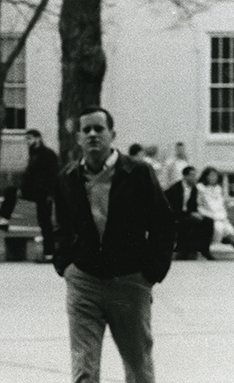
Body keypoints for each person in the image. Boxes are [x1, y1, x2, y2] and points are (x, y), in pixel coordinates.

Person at [53, 106, 175, 383]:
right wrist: (66, 265)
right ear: (79, 139)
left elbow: (163, 223)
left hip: (129, 282)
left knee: (138, 365)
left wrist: (151, 272)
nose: (93, 134)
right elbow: (58, 225)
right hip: (84, 281)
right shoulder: (67, 178)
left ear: (113, 134)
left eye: (100, 128)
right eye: (87, 130)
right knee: (84, 368)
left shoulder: (138, 173)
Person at [0, 129, 59, 263]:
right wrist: (22, 189)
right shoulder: (33, 153)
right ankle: (4, 220)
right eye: (26, 139)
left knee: (45, 223)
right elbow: (29, 175)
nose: (27, 142)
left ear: (38, 138)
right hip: (33, 190)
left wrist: (50, 194)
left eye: (30, 139)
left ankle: (49, 254)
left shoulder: (48, 154)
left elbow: (52, 176)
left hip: (44, 193)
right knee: (10, 191)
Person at [164, 166, 214, 260]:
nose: (194, 177)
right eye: (192, 175)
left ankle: (204, 249)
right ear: (185, 176)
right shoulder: (175, 188)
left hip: (187, 214)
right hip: (175, 215)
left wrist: (196, 213)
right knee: (190, 221)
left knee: (208, 221)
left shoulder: (194, 189)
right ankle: (184, 251)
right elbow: (174, 208)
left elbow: (193, 205)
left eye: (195, 175)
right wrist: (190, 214)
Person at [196, 166, 234, 255]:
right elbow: (199, 205)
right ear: (206, 176)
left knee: (231, 233)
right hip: (210, 217)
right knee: (218, 232)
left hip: (221, 217)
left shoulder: (218, 189)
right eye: (211, 175)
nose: (213, 178)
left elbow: (220, 205)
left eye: (215, 175)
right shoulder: (200, 188)